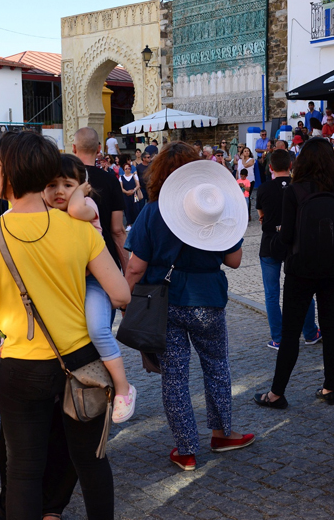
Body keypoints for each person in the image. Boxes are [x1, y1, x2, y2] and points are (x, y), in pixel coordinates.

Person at [0, 131, 128, 518]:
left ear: (10, 175)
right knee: (91, 461)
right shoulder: (78, 230)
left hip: (21, 362)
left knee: (23, 470)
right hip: (81, 364)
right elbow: (121, 294)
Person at [124, 143, 254, 471]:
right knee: (216, 366)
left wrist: (124, 302)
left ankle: (185, 450)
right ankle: (222, 433)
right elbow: (234, 261)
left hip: (165, 301)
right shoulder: (216, 207)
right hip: (208, 298)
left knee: (175, 376)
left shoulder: (152, 211)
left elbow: (136, 267)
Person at [254, 137, 334, 410]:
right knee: (331, 327)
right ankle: (329, 388)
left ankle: (277, 393)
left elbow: (286, 236)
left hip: (301, 270)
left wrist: (274, 245)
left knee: (290, 332)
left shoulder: (295, 192)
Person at [42, 154, 137, 423]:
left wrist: (80, 192)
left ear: (82, 186)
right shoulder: (45, 213)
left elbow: (75, 211)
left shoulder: (87, 203)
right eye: (52, 185)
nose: (60, 191)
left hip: (93, 280)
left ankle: (123, 388)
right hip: (66, 283)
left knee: (97, 330)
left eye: (67, 184)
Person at [73, 127, 128, 274]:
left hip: (72, 261)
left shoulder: (61, 181)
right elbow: (117, 230)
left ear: (73, 148)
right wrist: (127, 271)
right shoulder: (111, 180)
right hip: (104, 259)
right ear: (99, 149)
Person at [256, 149, 292, 351]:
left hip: (270, 242)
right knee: (299, 288)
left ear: (270, 167)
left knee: (271, 294)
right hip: (293, 242)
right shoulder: (298, 187)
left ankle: (278, 338)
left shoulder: (263, 189)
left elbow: (261, 213)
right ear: (290, 166)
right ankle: (311, 331)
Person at [119, 163, 140, 229]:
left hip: (134, 195)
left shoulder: (134, 176)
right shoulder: (121, 178)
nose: (127, 170)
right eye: (126, 168)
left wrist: (133, 191)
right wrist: (126, 192)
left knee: (136, 208)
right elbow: (121, 188)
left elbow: (138, 185)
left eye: (129, 168)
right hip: (125, 196)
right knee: (127, 209)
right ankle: (129, 224)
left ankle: (137, 223)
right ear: (123, 170)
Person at [236, 147, 256, 216]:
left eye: (248, 151)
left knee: (247, 196)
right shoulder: (239, 161)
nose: (247, 152)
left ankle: (248, 214)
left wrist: (243, 159)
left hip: (249, 180)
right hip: (240, 181)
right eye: (245, 151)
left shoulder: (252, 160)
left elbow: (245, 165)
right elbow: (238, 171)